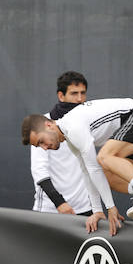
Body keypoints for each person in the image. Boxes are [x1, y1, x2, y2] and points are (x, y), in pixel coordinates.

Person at [21, 98, 133, 236]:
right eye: (38, 146)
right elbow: (87, 173)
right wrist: (97, 211)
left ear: (49, 125)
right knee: (106, 173)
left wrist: (110, 207)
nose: (44, 148)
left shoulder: (72, 127)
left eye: (41, 141)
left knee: (103, 157)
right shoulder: (70, 138)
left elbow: (93, 168)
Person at [30, 71, 93, 215]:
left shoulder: (88, 123)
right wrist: (59, 203)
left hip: (84, 207)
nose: (79, 99)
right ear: (61, 96)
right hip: (51, 209)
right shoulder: (42, 124)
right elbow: (39, 170)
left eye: (83, 93)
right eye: (74, 93)